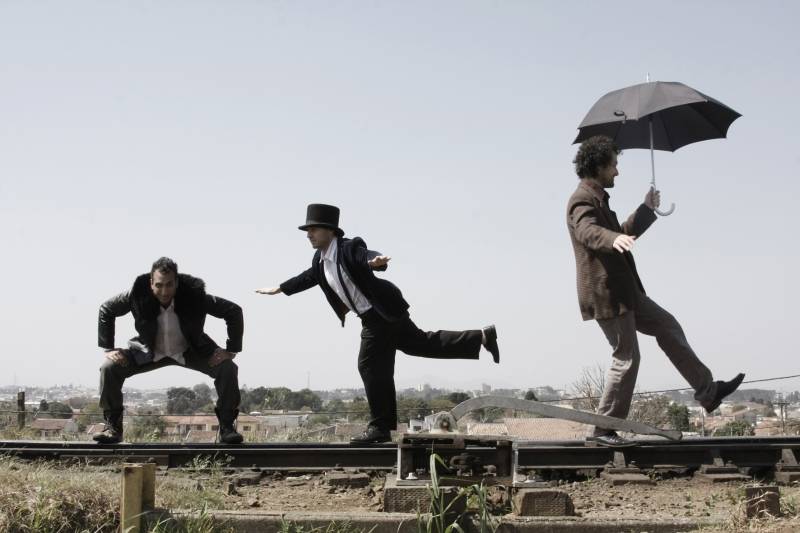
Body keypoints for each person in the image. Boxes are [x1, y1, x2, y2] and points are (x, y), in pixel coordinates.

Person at [256, 204, 500, 444]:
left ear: (330, 230)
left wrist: (376, 261)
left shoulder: (349, 247)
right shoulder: (319, 261)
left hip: (380, 313)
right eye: (307, 231)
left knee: (369, 366)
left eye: (313, 230)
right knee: (420, 344)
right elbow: (308, 277)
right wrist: (280, 288)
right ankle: (482, 336)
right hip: (380, 314)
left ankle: (380, 427)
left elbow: (366, 255)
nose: (309, 235)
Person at [566, 135, 744, 447]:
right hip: (607, 295)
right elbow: (588, 231)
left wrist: (646, 209)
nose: (617, 171)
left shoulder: (599, 199)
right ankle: (604, 430)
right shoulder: (581, 200)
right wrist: (611, 239)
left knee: (667, 325)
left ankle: (708, 392)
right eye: (613, 165)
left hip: (626, 292)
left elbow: (620, 233)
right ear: (598, 167)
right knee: (627, 357)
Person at [94, 257, 244, 444]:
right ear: (151, 283)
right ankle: (113, 428)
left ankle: (227, 428)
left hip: (190, 350)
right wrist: (108, 348)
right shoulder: (136, 295)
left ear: (177, 282)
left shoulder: (195, 296)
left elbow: (233, 311)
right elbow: (106, 309)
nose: (164, 291)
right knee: (109, 368)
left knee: (227, 368)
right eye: (159, 285)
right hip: (148, 352)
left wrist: (231, 350)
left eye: (169, 285)